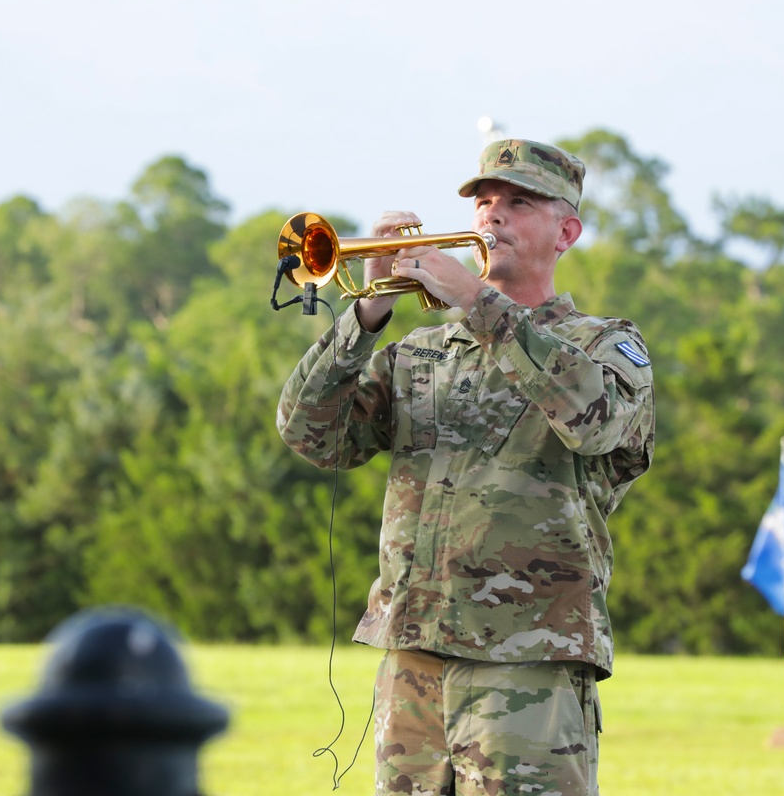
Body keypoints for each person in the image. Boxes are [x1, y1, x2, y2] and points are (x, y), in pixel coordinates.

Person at [276, 138, 655, 796]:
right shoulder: (421, 352)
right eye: (483, 201)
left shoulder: (603, 345)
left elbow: (594, 421)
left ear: (567, 231)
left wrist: (477, 302)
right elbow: (311, 431)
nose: (491, 215)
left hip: (528, 660)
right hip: (413, 658)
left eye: (518, 202)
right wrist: (365, 315)